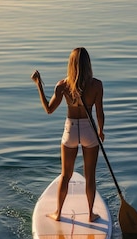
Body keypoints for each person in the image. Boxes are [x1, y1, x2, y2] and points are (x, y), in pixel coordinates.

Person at [31, 47, 105, 222]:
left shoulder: (63, 85)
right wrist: (101, 131)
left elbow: (49, 110)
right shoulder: (97, 85)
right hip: (89, 131)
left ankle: (58, 213)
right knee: (90, 176)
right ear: (88, 64)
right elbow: (100, 113)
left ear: (70, 64)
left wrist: (39, 85)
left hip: (70, 130)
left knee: (65, 175)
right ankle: (90, 215)